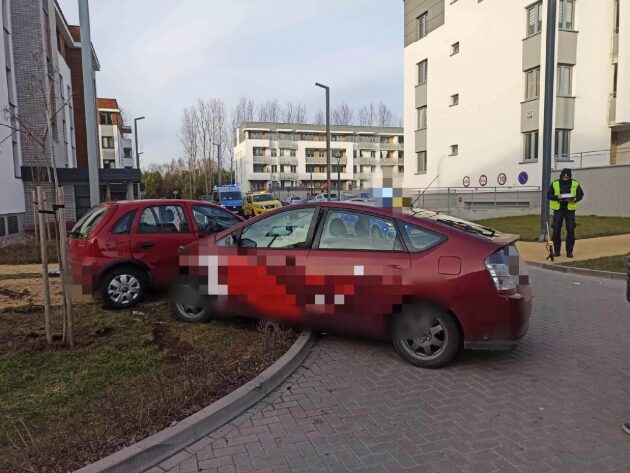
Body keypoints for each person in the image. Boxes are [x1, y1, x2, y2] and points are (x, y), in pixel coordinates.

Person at [546, 168, 584, 258]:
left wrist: (575, 199)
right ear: (561, 176)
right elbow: (549, 195)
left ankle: (569, 252)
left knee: (570, 230)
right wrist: (557, 197)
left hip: (569, 210)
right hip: (558, 209)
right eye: (564, 176)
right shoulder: (555, 183)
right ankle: (557, 251)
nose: (565, 178)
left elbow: (581, 194)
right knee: (556, 230)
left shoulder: (575, 183)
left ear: (570, 176)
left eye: (567, 177)